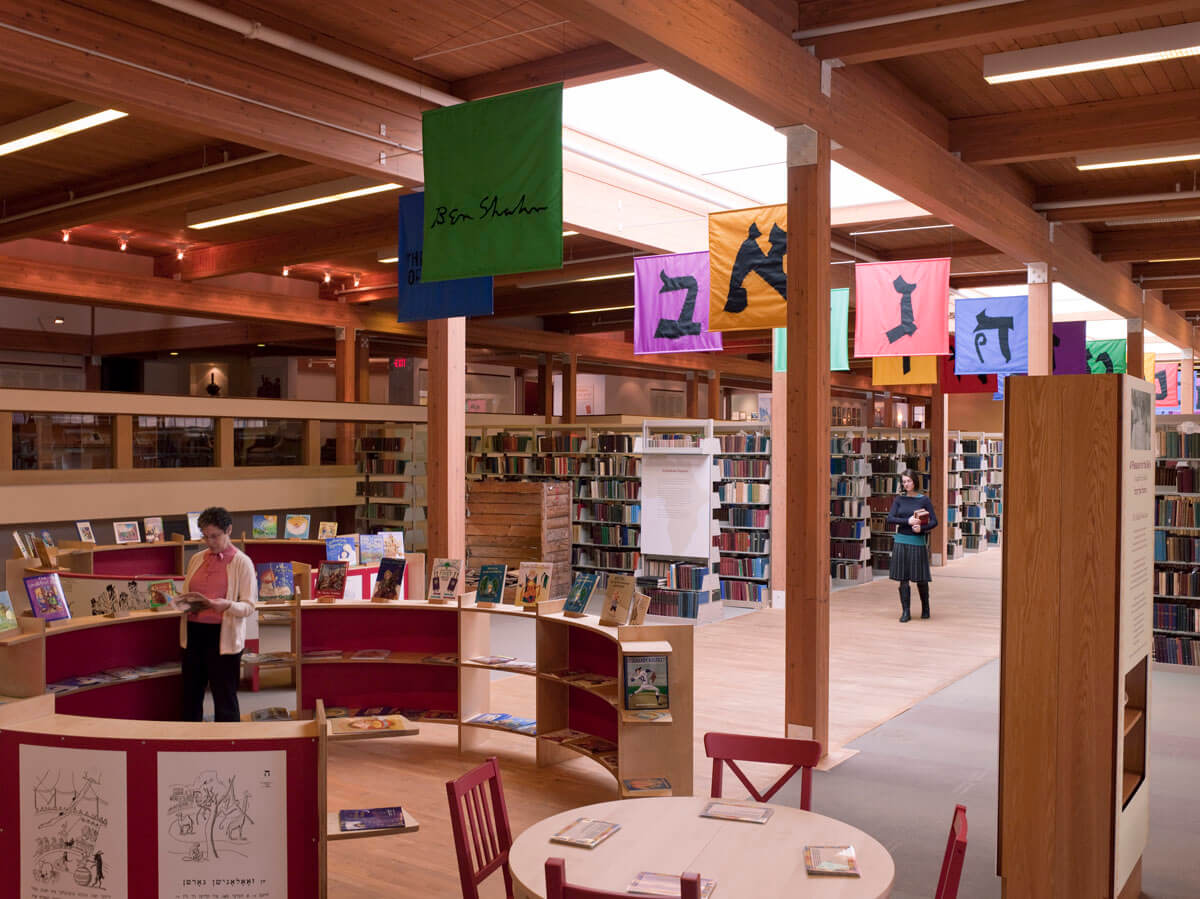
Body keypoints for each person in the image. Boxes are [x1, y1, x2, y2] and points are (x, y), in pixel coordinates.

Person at [180, 506, 257, 721]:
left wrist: (228, 605)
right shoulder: (196, 559)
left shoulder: (242, 562)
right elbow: (188, 592)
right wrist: (181, 602)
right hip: (194, 633)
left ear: (228, 530)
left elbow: (249, 605)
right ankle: (188, 740)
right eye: (205, 536)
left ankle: (228, 744)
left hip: (223, 637)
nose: (210, 541)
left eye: (214, 536)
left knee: (224, 697)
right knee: (191, 694)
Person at [886, 470, 938, 623]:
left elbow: (934, 521)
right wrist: (907, 522)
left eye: (908, 481)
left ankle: (926, 608)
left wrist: (922, 528)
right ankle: (906, 612)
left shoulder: (924, 500)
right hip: (901, 541)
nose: (906, 484)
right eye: (904, 481)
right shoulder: (899, 499)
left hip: (917, 542)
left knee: (920, 578)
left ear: (915, 481)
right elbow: (890, 518)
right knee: (903, 578)